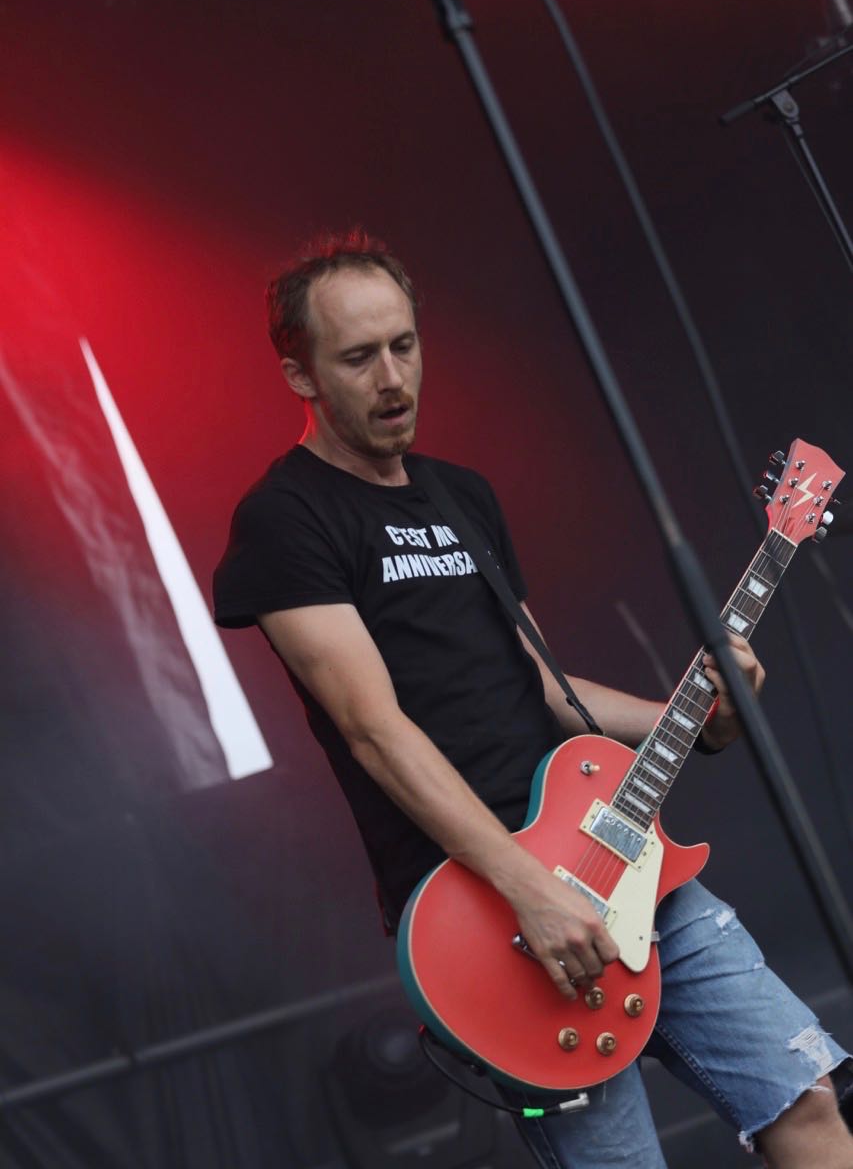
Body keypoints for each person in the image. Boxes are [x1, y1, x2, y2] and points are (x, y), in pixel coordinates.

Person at [213, 230, 852, 1168]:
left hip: (616, 855)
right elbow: (373, 730)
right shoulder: (286, 518)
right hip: (491, 912)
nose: (392, 378)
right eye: (357, 357)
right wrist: (530, 891)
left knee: (805, 1100)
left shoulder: (459, 496)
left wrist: (702, 717)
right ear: (299, 374)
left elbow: (543, 686)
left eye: (404, 345)